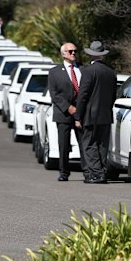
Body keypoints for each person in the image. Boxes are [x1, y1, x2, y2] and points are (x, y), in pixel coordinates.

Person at [74, 41, 117, 184]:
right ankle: (102, 171)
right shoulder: (111, 72)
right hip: (105, 114)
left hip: (90, 115)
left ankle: (97, 174)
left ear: (90, 55)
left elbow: (83, 95)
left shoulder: (87, 71)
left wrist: (78, 116)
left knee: (89, 144)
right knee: (102, 145)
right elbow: (113, 96)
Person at [48, 42, 85, 182]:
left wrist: (80, 110)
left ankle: (87, 170)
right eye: (70, 51)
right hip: (63, 114)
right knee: (64, 144)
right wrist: (69, 108)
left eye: (75, 51)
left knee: (84, 142)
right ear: (63, 53)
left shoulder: (83, 69)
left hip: (81, 113)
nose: (73, 53)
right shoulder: (54, 72)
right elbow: (54, 94)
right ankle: (63, 171)